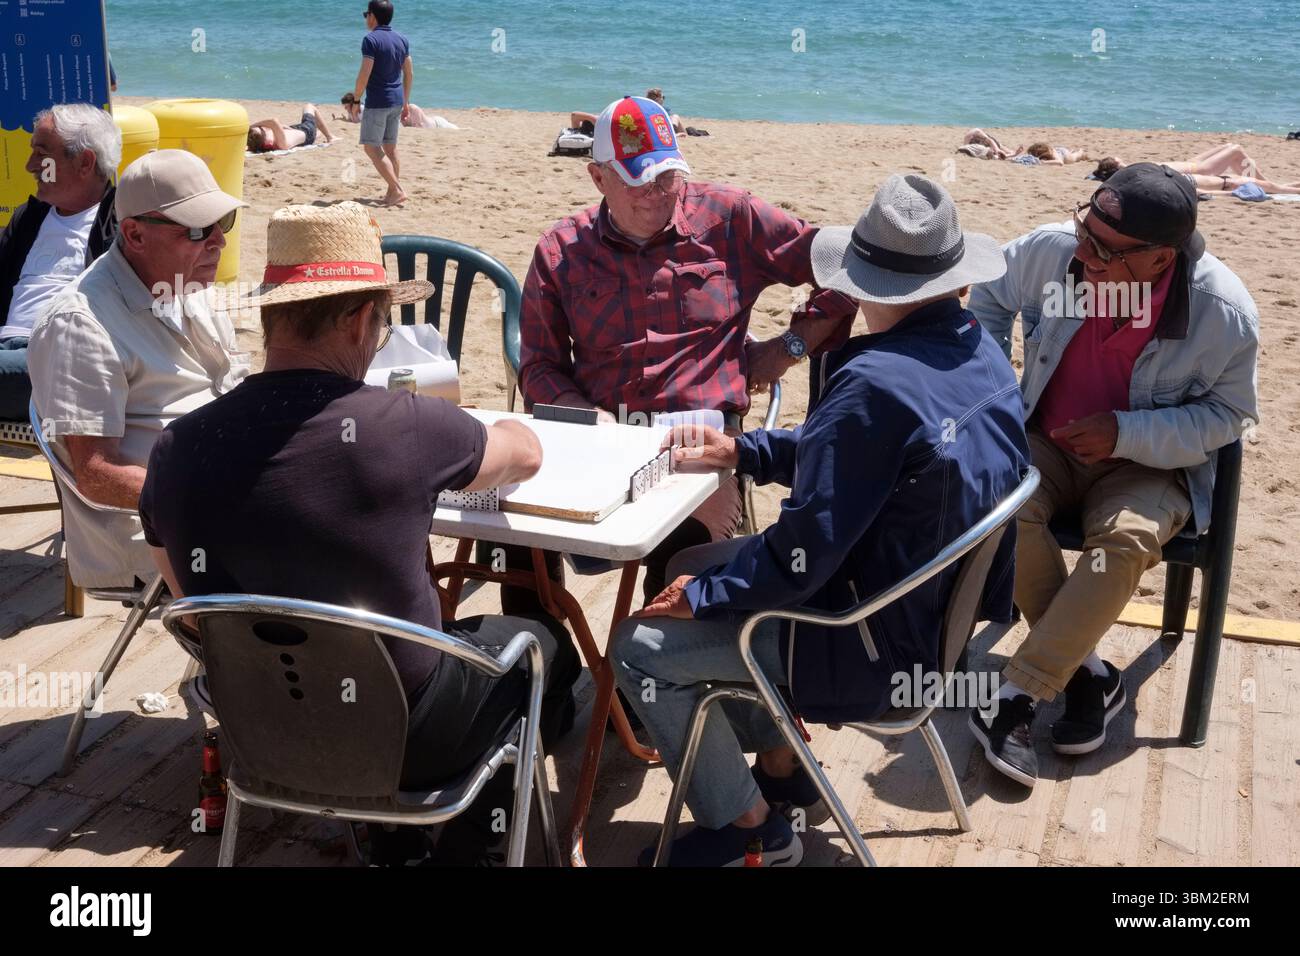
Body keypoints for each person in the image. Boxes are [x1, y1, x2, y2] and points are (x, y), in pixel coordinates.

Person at [138, 201, 580, 865]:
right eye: (380, 321)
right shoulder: (404, 426)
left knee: (424, 656)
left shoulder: (177, 447)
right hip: (409, 735)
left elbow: (194, 606)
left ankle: (396, 842)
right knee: (542, 649)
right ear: (356, 319)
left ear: (272, 316)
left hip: (258, 730)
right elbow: (524, 452)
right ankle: (471, 844)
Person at [608, 174, 1029, 866]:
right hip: (930, 628)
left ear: (865, 287)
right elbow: (875, 458)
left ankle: (748, 828)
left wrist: (707, 596)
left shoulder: (872, 385)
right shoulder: (978, 352)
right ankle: (780, 768)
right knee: (689, 569)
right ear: (955, 281)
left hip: (862, 646)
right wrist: (748, 451)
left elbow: (806, 551)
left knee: (639, 645)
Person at [967, 163, 1259, 786]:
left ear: (1160, 258)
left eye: (1103, 248)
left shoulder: (1223, 310)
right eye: (1084, 228)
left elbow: (1229, 416)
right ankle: (1088, 676)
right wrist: (992, 388)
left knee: (1122, 543)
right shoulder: (1054, 253)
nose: (1082, 251)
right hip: (1046, 440)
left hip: (1146, 466)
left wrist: (1125, 431)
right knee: (995, 506)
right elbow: (988, 292)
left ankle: (1017, 696)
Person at [513, 94, 858, 611]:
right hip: (605, 442)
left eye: (666, 177)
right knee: (513, 535)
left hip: (707, 446)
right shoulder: (562, 250)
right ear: (597, 177)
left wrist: (788, 347)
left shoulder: (729, 217)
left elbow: (849, 267)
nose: (654, 194)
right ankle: (547, 672)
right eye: (635, 180)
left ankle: (639, 683)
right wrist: (589, 416)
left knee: (675, 578)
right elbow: (538, 365)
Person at [26, 150, 248, 588]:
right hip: (157, 531)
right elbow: (97, 473)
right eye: (199, 229)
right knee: (322, 553)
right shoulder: (80, 324)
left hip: (223, 499)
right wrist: (206, 499)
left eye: (223, 223)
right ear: (135, 234)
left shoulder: (187, 286)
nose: (218, 242)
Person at [0, 105, 121, 421]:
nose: (30, 166)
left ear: (84, 162)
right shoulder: (30, 218)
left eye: (42, 155)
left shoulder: (120, 225)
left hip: (54, 359)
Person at [353, 0, 412, 206]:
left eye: (366, 14)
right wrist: (406, 101)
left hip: (378, 101)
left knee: (371, 148)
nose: (365, 19)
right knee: (391, 149)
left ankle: (396, 190)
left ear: (373, 16)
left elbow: (364, 73)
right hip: (396, 100)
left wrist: (356, 98)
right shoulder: (402, 39)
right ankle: (391, 194)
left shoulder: (371, 40)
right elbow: (409, 72)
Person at [1090, 146, 1300, 193]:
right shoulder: (1134, 171)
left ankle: (1273, 185)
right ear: (1117, 167)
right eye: (1120, 161)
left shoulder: (1135, 169)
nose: (1124, 160)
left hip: (1192, 163)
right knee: (1236, 150)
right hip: (1201, 170)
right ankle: (1273, 185)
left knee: (1229, 146)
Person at [335, 93, 458, 130]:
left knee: (456, 129)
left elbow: (420, 126)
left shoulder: (413, 108)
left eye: (346, 106)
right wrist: (341, 119)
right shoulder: (351, 112)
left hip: (437, 123)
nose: (346, 109)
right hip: (434, 123)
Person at [246, 103, 335, 153]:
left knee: (316, 131)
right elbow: (273, 121)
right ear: (264, 136)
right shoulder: (281, 144)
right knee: (309, 106)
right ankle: (330, 137)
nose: (263, 128)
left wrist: (280, 127)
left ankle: (319, 131)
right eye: (261, 128)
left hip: (295, 131)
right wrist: (251, 126)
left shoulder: (258, 144)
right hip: (307, 131)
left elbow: (273, 124)